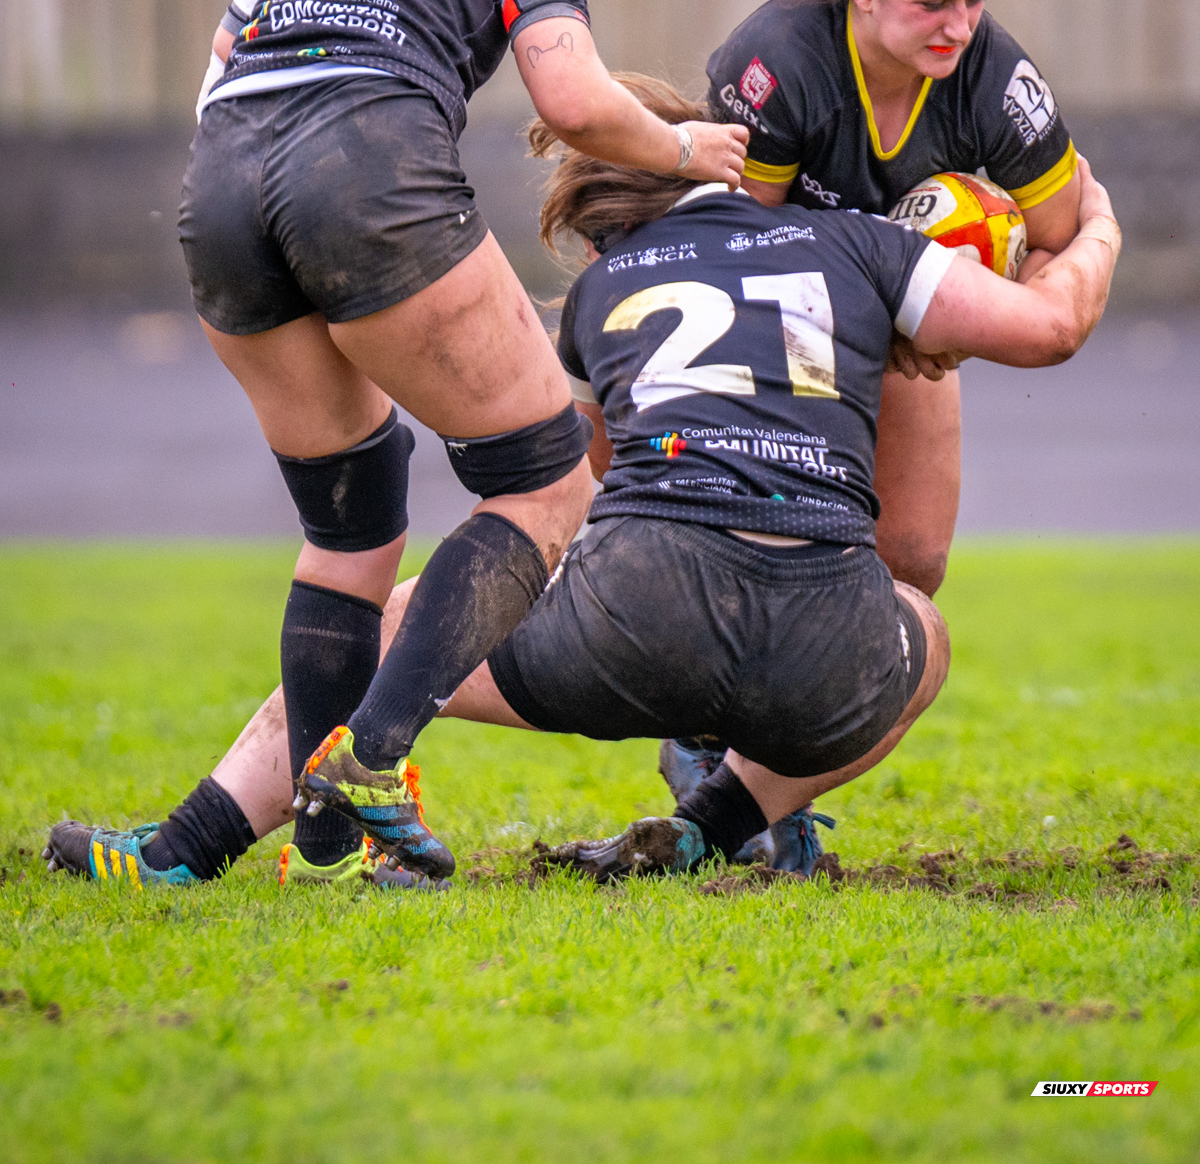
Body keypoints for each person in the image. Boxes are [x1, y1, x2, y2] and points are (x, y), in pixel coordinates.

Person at [54, 79, 1117, 889]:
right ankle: (716, 825)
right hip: (830, 652)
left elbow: (578, 493)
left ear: (608, 227)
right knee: (920, 632)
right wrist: (1094, 229)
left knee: (388, 627)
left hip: (627, 624)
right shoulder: (856, 244)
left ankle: (181, 850)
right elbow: (1046, 331)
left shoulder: (603, 291)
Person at [43, 0, 747, 892]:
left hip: (220, 186)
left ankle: (320, 848)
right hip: (362, 168)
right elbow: (571, 97)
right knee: (541, 484)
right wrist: (682, 146)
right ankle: (370, 762)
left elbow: (222, 70)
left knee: (352, 526)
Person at [707, 0, 1080, 599]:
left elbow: (1056, 240)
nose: (961, 27)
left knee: (910, 563)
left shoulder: (994, 76)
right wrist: (886, 312)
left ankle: (839, 714)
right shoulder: (778, 62)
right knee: (785, 542)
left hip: (905, 312)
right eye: (934, 4)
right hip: (785, 313)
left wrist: (959, 323)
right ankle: (708, 714)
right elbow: (738, 254)